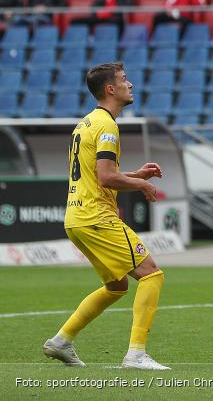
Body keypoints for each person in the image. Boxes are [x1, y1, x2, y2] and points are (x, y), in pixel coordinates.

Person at [42, 62, 168, 370]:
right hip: (97, 216)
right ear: (110, 89)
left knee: (117, 286)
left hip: (76, 217)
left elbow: (99, 173)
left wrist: (134, 174)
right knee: (151, 274)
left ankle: (61, 341)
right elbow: (106, 179)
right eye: (125, 80)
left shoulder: (86, 123)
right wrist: (139, 184)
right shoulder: (107, 126)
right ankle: (136, 354)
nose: (131, 85)